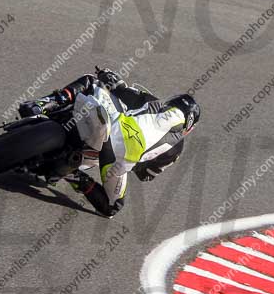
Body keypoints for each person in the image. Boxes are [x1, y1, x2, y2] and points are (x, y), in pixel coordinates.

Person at [17, 68, 200, 217]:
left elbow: (119, 89)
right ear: (188, 128)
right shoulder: (176, 149)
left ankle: (41, 105)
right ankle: (73, 174)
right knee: (112, 207)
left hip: (107, 127)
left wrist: (107, 75)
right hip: (114, 159)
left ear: (170, 102)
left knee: (90, 81)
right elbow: (145, 175)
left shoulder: (152, 101)